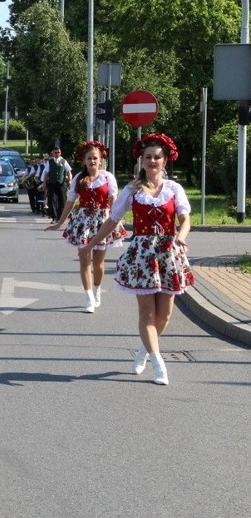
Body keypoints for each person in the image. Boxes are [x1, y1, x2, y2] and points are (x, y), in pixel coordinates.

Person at [80, 133, 194, 385]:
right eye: (148, 157)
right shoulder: (132, 189)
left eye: (157, 157)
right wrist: (92, 243)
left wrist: (181, 235)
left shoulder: (175, 189)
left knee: (164, 314)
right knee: (147, 313)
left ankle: (144, 349)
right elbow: (112, 219)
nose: (153, 161)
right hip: (142, 255)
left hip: (168, 252)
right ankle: (157, 362)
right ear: (141, 161)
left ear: (165, 161)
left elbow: (185, 219)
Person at [45, 141, 127, 313]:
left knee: (98, 263)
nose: (92, 161)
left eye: (95, 158)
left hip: (102, 221)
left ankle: (97, 289)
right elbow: (70, 201)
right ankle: (88, 296)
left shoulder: (107, 177)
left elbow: (113, 200)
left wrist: (116, 219)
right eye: (89, 158)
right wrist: (60, 222)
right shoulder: (79, 178)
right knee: (84, 259)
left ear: (101, 160)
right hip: (83, 222)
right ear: (84, 161)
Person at [41, 147, 72, 222]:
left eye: (58, 152)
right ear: (53, 153)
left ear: (60, 153)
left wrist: (70, 180)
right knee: (52, 200)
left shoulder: (64, 161)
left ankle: (59, 217)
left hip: (61, 183)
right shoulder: (50, 162)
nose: (57, 154)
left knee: (62, 201)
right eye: (55, 152)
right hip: (52, 183)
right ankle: (54, 217)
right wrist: (44, 183)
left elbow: (69, 171)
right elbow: (46, 173)